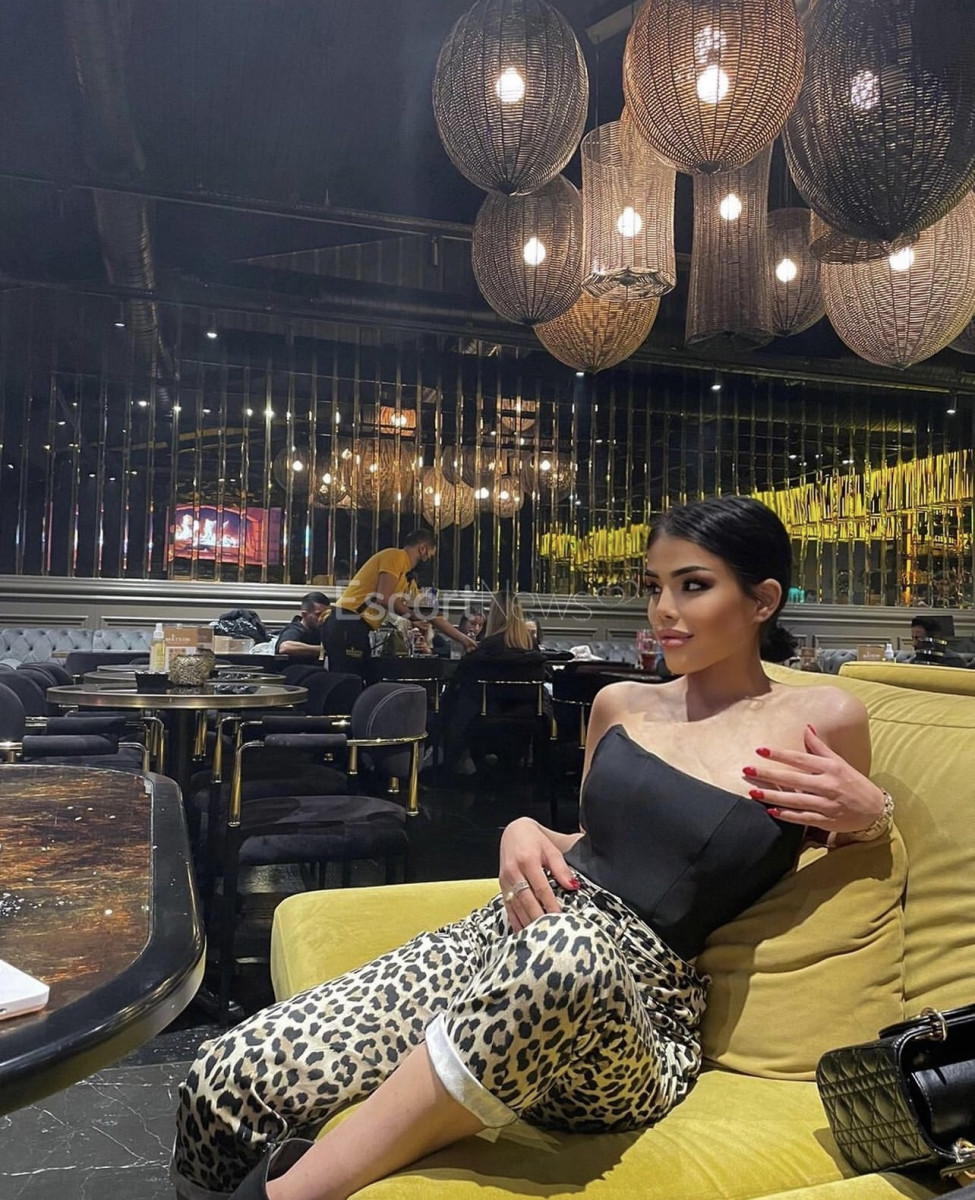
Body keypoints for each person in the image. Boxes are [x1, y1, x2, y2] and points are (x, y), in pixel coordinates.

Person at [171, 495, 892, 1200]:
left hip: (634, 1010)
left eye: (693, 586)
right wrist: (525, 829)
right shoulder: (621, 704)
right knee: (226, 1076)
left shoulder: (821, 717)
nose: (662, 611)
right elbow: (600, 841)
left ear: (763, 600)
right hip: (509, 933)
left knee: (566, 949)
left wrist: (872, 815)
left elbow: (843, 852)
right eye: (654, 587)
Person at [322, 529, 475, 676]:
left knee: (361, 678)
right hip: (346, 622)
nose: (428, 561)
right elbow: (384, 598)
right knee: (348, 680)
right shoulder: (394, 556)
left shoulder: (408, 579)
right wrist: (412, 616)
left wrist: (464, 640)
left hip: (358, 628)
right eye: (429, 556)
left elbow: (430, 614)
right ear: (422, 549)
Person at [442, 592, 548, 775]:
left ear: (493, 615)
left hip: (486, 716)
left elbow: (461, 675)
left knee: (455, 699)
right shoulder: (531, 645)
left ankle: (454, 764)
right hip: (527, 715)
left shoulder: (487, 646)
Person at [274, 592, 331, 659]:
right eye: (318, 615)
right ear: (304, 615)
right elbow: (285, 647)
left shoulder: (324, 630)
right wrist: (322, 650)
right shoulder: (295, 629)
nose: (323, 618)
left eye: (326, 614)